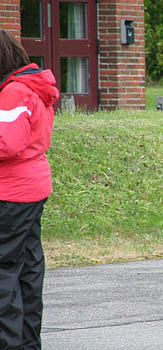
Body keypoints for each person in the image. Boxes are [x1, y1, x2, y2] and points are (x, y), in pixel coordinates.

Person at [0, 30, 59, 348]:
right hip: (31, 187)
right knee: (27, 266)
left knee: (4, 270)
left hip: (10, 192)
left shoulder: (13, 92)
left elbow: (7, 144)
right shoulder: (33, 88)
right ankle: (26, 341)